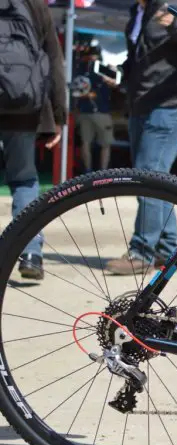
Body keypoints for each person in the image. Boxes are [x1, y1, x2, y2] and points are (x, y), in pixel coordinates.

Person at [105, 0, 177, 275]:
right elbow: (142, 58)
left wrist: (176, 24)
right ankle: (167, 252)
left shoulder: (174, 5)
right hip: (141, 104)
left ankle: (141, 252)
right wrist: (121, 76)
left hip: (173, 106)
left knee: (148, 176)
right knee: (156, 178)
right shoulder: (138, 11)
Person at [0, 0, 66, 280]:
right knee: (24, 179)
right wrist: (59, 116)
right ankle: (31, 253)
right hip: (24, 108)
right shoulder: (36, 5)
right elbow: (54, 60)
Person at [76, 45, 114, 175]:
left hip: (86, 111)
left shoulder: (80, 69)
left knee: (87, 143)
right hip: (99, 112)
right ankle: (100, 172)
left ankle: (89, 170)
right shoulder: (103, 70)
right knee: (104, 144)